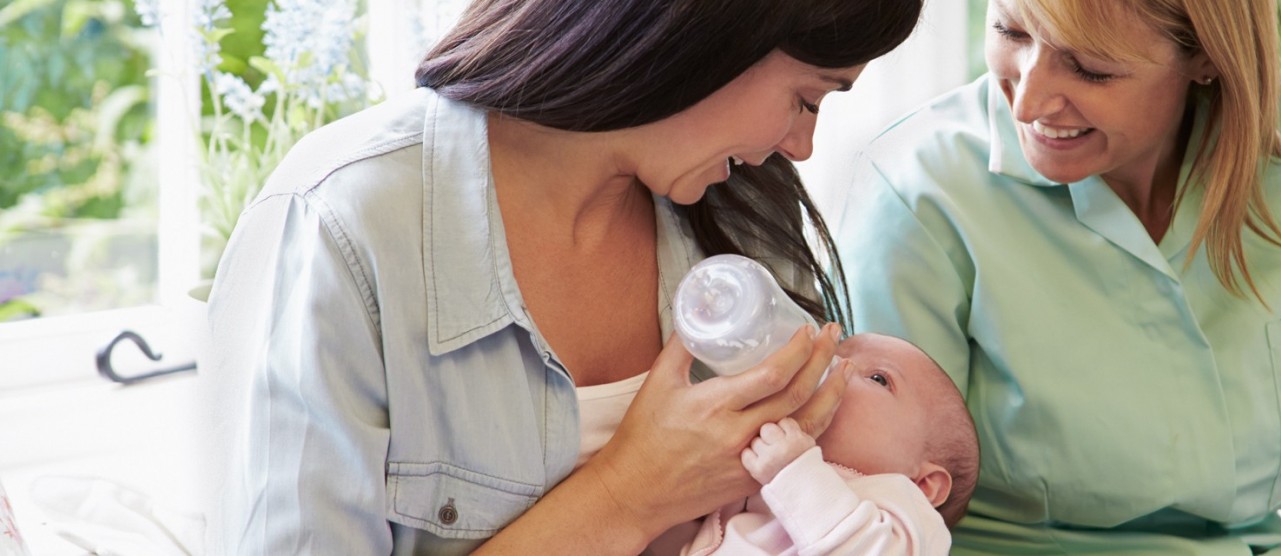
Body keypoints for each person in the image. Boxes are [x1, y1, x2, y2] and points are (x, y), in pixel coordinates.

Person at [202, 0, 923, 553]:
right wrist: (628, 494)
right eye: (805, 98)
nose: (799, 146)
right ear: (706, 30)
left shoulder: (746, 222)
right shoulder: (343, 228)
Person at [834, 0, 1281, 554]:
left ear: (1205, 55)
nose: (1028, 102)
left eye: (1091, 69)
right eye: (1010, 30)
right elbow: (872, 521)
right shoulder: (915, 193)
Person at [671, 333, 979, 555]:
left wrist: (793, 472)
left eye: (878, 378)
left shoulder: (907, 513)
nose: (834, 365)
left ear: (925, 484)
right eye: (838, 352)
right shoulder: (760, 476)